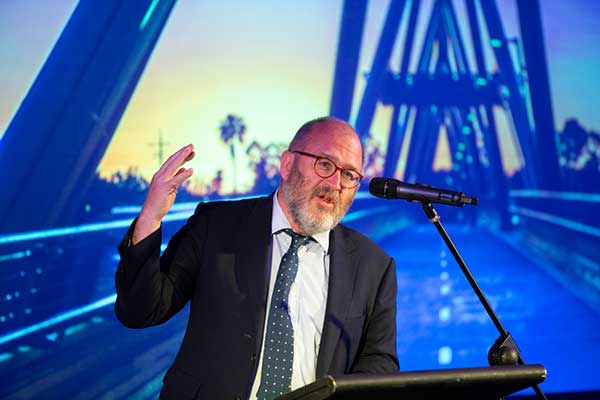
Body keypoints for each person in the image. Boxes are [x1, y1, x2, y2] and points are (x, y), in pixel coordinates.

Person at [115, 116, 399, 399]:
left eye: (350, 175)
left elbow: (379, 363)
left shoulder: (373, 266)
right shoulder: (216, 225)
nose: (336, 183)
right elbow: (141, 311)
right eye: (325, 165)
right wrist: (151, 217)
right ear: (287, 164)